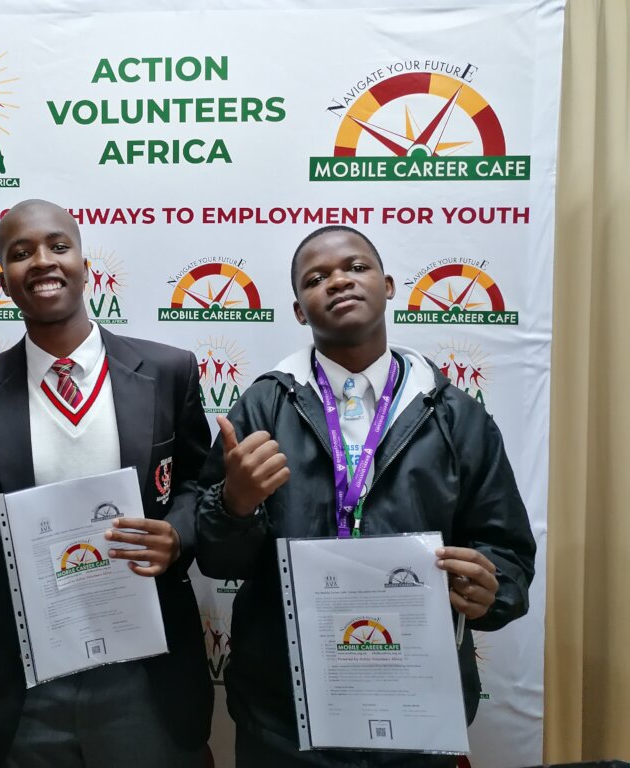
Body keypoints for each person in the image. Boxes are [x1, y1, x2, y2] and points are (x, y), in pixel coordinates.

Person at [195, 225, 536, 767]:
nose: (338, 281)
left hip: (418, 708)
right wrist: (234, 506)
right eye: (316, 278)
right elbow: (218, 560)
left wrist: (491, 589)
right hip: (285, 715)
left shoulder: (456, 415)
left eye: (356, 267)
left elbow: (507, 551)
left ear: (389, 285)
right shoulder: (262, 408)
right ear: (299, 311)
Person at [0, 199, 213, 768]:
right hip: (27, 683)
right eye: (20, 253)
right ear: (3, 280)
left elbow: (199, 484)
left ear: (84, 265)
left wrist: (177, 534)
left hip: (146, 672)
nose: (41, 262)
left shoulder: (168, 371)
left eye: (58, 246)